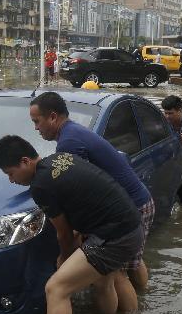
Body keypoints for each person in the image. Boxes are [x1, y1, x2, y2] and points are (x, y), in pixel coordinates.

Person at [0, 135, 143, 314]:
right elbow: (84, 198)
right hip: (131, 225)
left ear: (25, 161)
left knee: (56, 289)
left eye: (11, 173)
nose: (11, 180)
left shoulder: (40, 185)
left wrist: (63, 258)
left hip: (114, 235)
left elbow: (63, 234)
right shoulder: (61, 158)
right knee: (105, 281)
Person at [29, 92, 154, 290]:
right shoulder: (74, 132)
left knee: (118, 273)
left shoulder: (68, 144)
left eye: (37, 121)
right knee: (133, 261)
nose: (36, 128)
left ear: (53, 117)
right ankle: (143, 300)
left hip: (129, 207)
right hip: (137, 201)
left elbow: (79, 192)